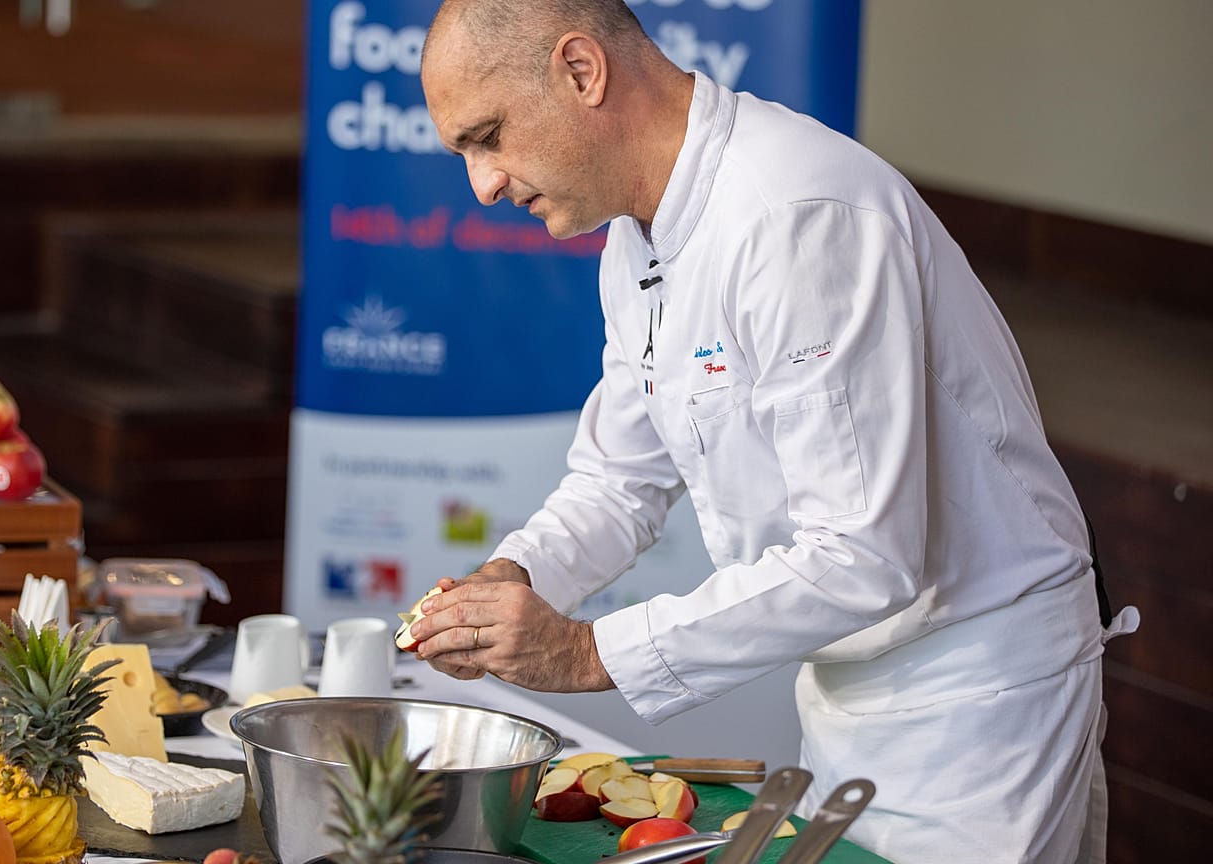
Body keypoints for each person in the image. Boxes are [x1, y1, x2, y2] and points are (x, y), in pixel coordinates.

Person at [406, 2, 1138, 862]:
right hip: (845, 688)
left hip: (977, 702)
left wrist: (586, 654)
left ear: (581, 71)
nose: (483, 186)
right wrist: (515, 579)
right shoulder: (635, 238)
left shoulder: (795, 211)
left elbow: (863, 554)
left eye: (488, 138)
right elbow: (619, 480)